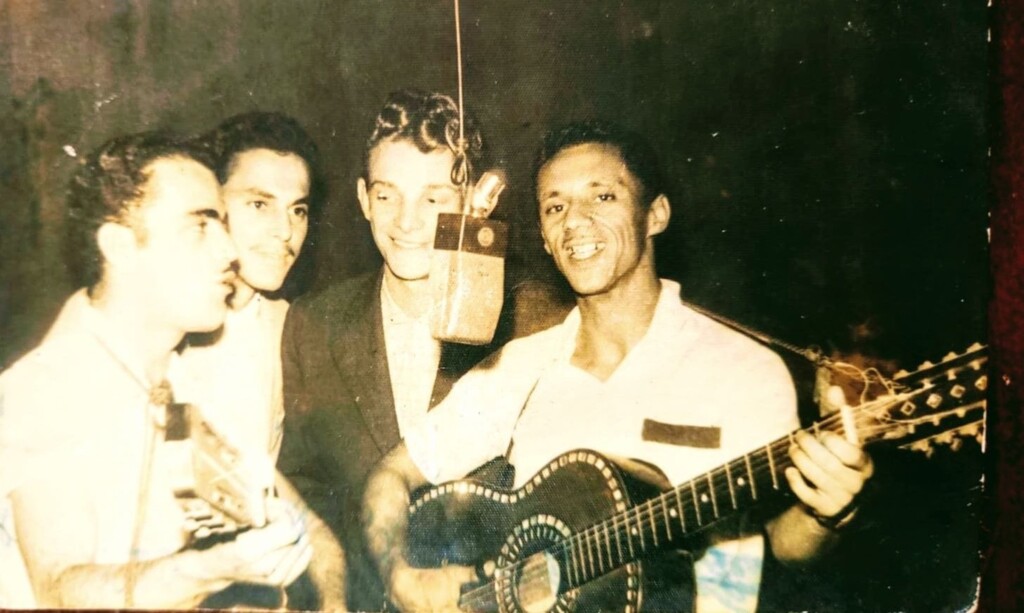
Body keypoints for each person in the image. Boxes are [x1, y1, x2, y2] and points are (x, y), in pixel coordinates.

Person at [362, 121, 876, 611]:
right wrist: (400, 577)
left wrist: (825, 513)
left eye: (602, 196)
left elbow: (776, 552)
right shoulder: (520, 366)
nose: (575, 222)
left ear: (656, 215)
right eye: (554, 206)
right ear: (543, 236)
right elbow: (391, 474)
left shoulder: (745, 371)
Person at [0, 132, 313, 608]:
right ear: (121, 247)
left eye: (224, 226)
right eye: (200, 227)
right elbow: (60, 588)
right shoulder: (44, 389)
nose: (230, 251)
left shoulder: (177, 377)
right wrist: (213, 569)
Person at [277, 88, 495, 611]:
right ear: (361, 198)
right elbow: (305, 490)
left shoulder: (532, 318)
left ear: (473, 202)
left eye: (434, 198)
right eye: (386, 195)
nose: (406, 221)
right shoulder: (314, 324)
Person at [173, 112, 345, 609]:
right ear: (209, 204)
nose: (285, 233)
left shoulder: (289, 326)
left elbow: (268, 483)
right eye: (258, 204)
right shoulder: (165, 330)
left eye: (298, 210)